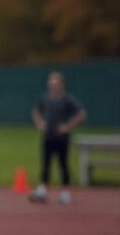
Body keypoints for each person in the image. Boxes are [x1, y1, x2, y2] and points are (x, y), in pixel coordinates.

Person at [29, 71, 86, 205]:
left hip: (62, 138)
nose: (53, 86)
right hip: (48, 136)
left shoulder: (68, 99)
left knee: (63, 164)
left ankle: (65, 192)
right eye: (51, 83)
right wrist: (40, 123)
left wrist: (68, 126)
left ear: (61, 84)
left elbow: (81, 114)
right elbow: (35, 111)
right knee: (46, 163)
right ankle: (42, 190)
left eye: (55, 83)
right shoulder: (45, 98)